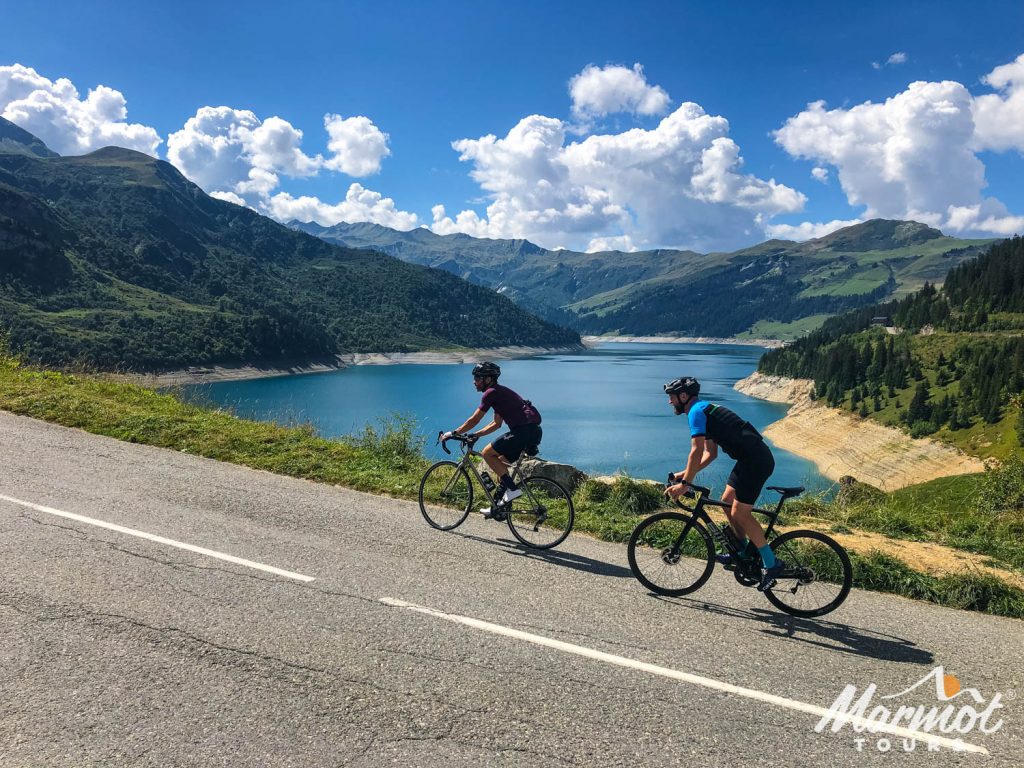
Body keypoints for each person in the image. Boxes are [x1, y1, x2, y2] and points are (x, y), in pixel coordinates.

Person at [662, 376, 786, 591]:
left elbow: (696, 451)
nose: (669, 402)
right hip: (749, 459)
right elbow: (710, 455)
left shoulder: (696, 412)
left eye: (672, 397)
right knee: (726, 502)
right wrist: (683, 475)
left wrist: (685, 484)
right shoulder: (704, 410)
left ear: (684, 396)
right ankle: (743, 552)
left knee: (740, 513)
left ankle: (771, 563)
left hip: (756, 461)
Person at [441, 362, 542, 517]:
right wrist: (476, 435)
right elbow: (496, 424)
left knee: (487, 453)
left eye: (477, 378)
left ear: (488, 379)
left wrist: (453, 433)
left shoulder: (490, 393)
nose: (474, 381)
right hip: (533, 431)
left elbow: (474, 419)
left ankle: (513, 490)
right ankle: (499, 509)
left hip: (522, 431)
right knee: (500, 462)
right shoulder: (499, 393)